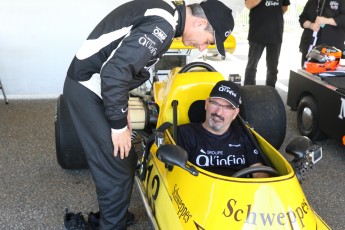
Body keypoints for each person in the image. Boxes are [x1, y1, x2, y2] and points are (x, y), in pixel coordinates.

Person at [63, 0, 235, 229]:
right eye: (208, 41)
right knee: (115, 167)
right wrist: (118, 126)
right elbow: (114, 73)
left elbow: (121, 69)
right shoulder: (163, 25)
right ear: (201, 22)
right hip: (87, 89)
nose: (202, 48)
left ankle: (109, 217)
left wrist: (121, 110)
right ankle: (111, 225)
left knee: (126, 158)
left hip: (100, 88)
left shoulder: (167, 17)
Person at [177, 80, 268, 178]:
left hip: (242, 191)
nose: (219, 112)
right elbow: (178, 175)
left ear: (235, 113)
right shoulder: (185, 133)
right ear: (206, 104)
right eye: (215, 103)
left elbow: (259, 171)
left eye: (227, 107)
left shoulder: (245, 134)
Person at [244, 0, 290, 88]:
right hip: (257, 34)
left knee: (272, 68)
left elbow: (284, 7)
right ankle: (248, 90)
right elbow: (248, 5)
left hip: (275, 33)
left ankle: (271, 89)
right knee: (252, 65)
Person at [299, 0, 345, 68]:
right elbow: (302, 18)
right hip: (310, 46)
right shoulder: (312, 1)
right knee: (307, 74)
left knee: (325, 76)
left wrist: (327, 21)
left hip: (331, 48)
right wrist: (310, 25)